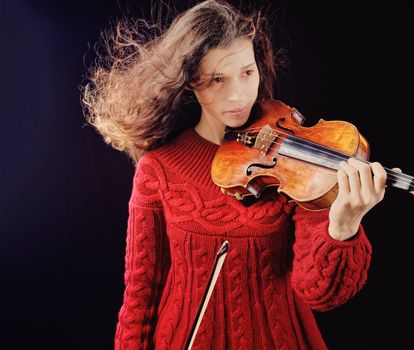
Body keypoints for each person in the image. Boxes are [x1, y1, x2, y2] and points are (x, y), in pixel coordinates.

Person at [82, 1, 390, 348]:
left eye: (247, 73)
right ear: (190, 82)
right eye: (217, 79)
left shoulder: (292, 165)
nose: (238, 94)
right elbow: (140, 299)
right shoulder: (159, 170)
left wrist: (343, 225)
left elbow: (318, 291)